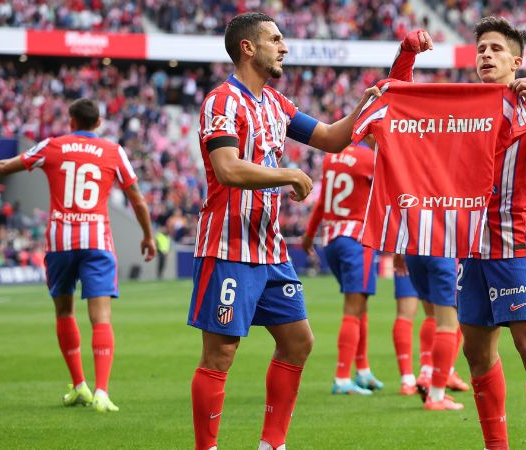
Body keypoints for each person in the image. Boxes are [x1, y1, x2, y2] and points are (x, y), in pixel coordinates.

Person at [390, 17, 526, 449]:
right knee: (477, 354)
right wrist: (406, 54)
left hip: (516, 246)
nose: (486, 55)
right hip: (470, 250)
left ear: (516, 61)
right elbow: (398, 103)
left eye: (496, 49)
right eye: (481, 48)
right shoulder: (462, 107)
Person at [189, 12, 380, 450]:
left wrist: (365, 106)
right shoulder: (222, 101)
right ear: (248, 48)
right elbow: (227, 168)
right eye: (276, 39)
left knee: (298, 342)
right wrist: (287, 173)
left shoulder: (276, 103)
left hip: (271, 250)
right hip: (228, 246)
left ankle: (272, 445)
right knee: (220, 355)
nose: (285, 46)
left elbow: (332, 137)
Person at [0, 98, 156, 413]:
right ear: (98, 123)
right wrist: (148, 236)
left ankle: (79, 385)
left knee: (64, 311)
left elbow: (5, 166)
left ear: (71, 121)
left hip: (60, 240)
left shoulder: (53, 146)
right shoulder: (114, 152)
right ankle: (101, 391)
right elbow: (137, 199)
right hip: (97, 238)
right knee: (101, 317)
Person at [301, 141, 384, 396]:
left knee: (360, 306)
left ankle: (363, 370)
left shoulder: (332, 157)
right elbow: (383, 199)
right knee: (353, 307)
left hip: (332, 239)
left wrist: (308, 235)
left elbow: (324, 200)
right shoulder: (370, 159)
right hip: (358, 239)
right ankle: (342, 376)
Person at [391, 255, 469, 406]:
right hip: (444, 252)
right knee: (449, 322)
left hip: (415, 252)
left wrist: (399, 250)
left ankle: (427, 373)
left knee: (432, 315)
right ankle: (436, 397)